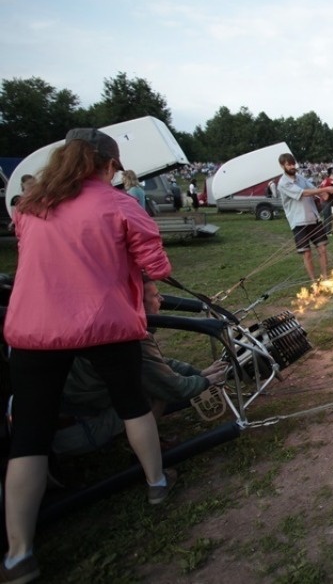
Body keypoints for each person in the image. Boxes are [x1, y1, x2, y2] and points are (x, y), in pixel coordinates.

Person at [1, 128, 175, 584]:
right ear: (107, 164)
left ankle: (18, 553)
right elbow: (156, 265)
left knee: (30, 437)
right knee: (132, 403)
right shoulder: (117, 204)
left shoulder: (30, 207)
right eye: (114, 166)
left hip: (33, 331)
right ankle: (156, 484)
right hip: (103, 323)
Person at [55, 279, 228, 455]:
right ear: (138, 305)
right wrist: (206, 381)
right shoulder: (130, 337)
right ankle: (146, 453)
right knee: (152, 394)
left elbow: (155, 365)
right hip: (75, 430)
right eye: (155, 296)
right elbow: (171, 387)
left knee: (147, 384)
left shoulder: (110, 322)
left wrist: (197, 373)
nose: (161, 299)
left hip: (72, 410)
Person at [276, 153, 333, 281]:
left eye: (293, 163)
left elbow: (313, 189)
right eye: (289, 164)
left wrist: (324, 194)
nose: (292, 166)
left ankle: (325, 278)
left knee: (322, 249)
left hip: (314, 218)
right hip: (298, 222)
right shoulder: (283, 183)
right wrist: (324, 189)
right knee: (307, 254)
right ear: (282, 166)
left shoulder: (300, 177)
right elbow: (303, 193)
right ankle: (314, 282)